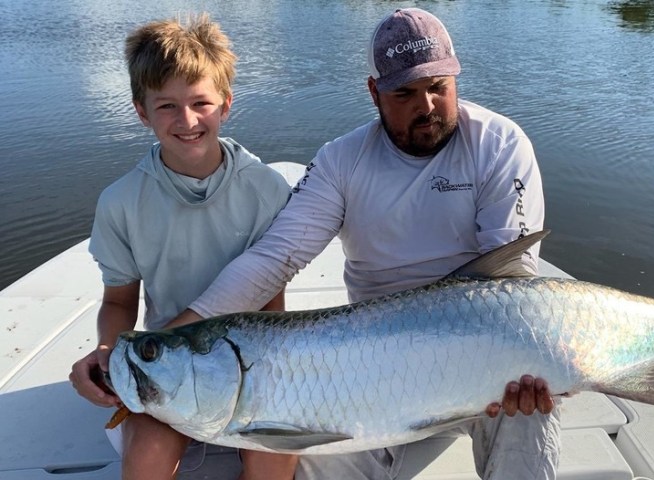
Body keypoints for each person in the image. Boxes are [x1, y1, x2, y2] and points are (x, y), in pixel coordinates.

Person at [171, 7, 560, 480]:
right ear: (374, 92)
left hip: (483, 354)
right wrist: (174, 336)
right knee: (284, 455)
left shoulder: (499, 145)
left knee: (530, 406)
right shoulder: (341, 161)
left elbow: (512, 284)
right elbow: (275, 259)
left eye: (438, 86)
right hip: (375, 364)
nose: (428, 106)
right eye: (406, 93)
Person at [67, 14, 298, 480]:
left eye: (201, 103)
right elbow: (118, 301)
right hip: (165, 364)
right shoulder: (121, 202)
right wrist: (108, 350)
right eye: (167, 106)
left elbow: (272, 307)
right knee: (149, 454)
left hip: (251, 360)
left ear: (226, 105)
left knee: (274, 455)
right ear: (140, 110)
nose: (187, 120)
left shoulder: (268, 190)